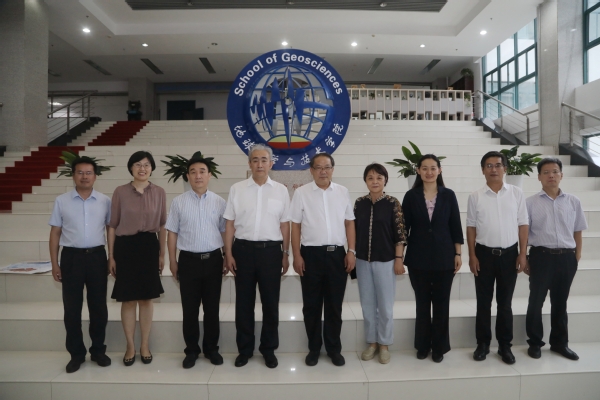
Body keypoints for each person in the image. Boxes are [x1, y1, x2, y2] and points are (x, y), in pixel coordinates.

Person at [223, 144, 290, 369]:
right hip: (242, 251)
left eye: (264, 160)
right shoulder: (237, 189)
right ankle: (245, 350)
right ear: (249, 163)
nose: (259, 164)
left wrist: (285, 253)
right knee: (244, 303)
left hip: (271, 252)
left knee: (270, 303)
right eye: (255, 160)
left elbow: (285, 225)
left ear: (271, 163)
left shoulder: (281, 190)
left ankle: (268, 349)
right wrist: (228, 253)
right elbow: (229, 224)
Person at [290, 152, 356, 367]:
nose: (323, 171)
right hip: (310, 255)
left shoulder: (343, 192)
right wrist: (297, 255)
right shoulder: (301, 193)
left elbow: (349, 223)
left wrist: (351, 251)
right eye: (318, 167)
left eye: (327, 167)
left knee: (334, 305)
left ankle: (334, 349)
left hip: (337, 254)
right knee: (311, 305)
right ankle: (314, 349)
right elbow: (295, 226)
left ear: (333, 169)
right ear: (311, 170)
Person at [49, 157, 112, 373]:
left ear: (95, 176)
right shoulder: (62, 201)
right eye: (80, 172)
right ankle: (76, 354)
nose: (84, 176)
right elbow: (55, 233)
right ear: (73, 175)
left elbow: (110, 231)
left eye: (88, 172)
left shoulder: (105, 201)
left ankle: (98, 350)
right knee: (72, 309)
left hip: (97, 257)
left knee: (98, 307)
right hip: (71, 258)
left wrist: (111, 257)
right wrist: (54, 263)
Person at [466, 151, 528, 365]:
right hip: (483, 255)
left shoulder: (517, 193)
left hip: (509, 255)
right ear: (483, 170)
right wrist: (472, 255)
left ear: (505, 169)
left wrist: (522, 253)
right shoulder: (475, 196)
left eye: (498, 165)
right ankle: (482, 344)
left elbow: (523, 224)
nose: (494, 169)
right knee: (483, 303)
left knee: (505, 303)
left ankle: (504, 346)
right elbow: (471, 227)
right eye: (489, 165)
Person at [166, 156, 227, 369]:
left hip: (213, 260)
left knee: (212, 309)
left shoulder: (219, 202)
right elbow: (172, 233)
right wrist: (172, 260)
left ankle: (211, 349)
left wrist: (227, 255)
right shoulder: (178, 202)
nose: (198, 175)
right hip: (188, 261)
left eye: (202, 171)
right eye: (193, 172)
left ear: (209, 175)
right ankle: (191, 350)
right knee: (189, 310)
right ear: (187, 176)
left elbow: (224, 231)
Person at [525, 157, 587, 360]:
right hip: (541, 257)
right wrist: (523, 256)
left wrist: (577, 255)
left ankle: (560, 343)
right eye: (546, 172)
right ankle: (535, 343)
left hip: (567, 258)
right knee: (536, 302)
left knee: (560, 302)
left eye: (555, 172)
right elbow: (524, 233)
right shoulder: (530, 203)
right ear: (539, 177)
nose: (551, 175)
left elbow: (578, 230)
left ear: (561, 175)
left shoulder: (573, 201)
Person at [402, 154, 463, 363]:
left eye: (433, 168)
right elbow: (403, 229)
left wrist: (458, 253)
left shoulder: (448, 195)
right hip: (417, 258)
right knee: (422, 303)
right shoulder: (411, 196)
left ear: (439, 170)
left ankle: (439, 347)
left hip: (444, 257)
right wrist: (399, 255)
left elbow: (455, 225)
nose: (429, 172)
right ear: (418, 171)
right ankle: (422, 345)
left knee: (441, 304)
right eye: (424, 168)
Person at [108, 151, 166, 366]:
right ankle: (130, 346)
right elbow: (112, 225)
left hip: (149, 246)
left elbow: (162, 225)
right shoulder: (120, 192)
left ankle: (145, 345)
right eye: (138, 164)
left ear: (152, 168)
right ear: (131, 168)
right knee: (128, 298)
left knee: (146, 298)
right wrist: (111, 256)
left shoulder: (159, 192)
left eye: (147, 164)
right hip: (125, 248)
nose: (143, 168)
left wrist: (162, 254)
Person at [354, 163, 407, 364]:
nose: (374, 181)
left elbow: (400, 234)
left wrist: (399, 259)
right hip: (362, 261)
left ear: (385, 180)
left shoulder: (393, 203)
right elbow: (353, 230)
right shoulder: (359, 203)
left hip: (386, 261)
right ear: (365, 181)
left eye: (379, 177)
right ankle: (372, 342)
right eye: (370, 178)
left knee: (385, 305)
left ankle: (384, 344)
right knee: (367, 304)